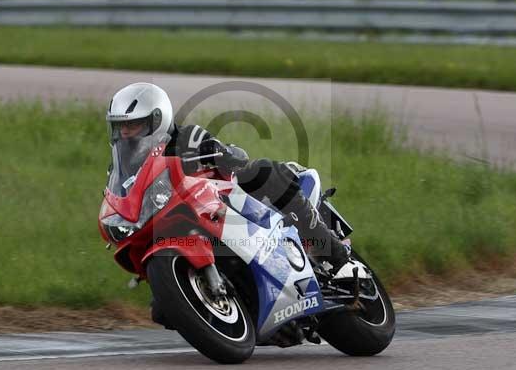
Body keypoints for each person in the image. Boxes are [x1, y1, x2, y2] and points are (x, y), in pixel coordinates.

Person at [104, 82, 358, 278]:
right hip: (180, 221)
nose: (125, 133)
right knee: (160, 312)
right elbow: (121, 197)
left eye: (134, 125)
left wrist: (224, 154)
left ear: (156, 121)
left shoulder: (186, 138)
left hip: (226, 199)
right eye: (121, 127)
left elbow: (223, 152)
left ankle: (336, 256)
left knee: (265, 171)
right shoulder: (125, 167)